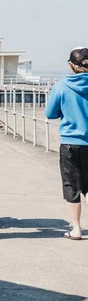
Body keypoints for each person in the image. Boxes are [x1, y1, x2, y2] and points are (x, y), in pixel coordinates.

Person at [45, 47, 88, 240]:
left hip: (70, 143)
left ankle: (77, 229)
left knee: (72, 186)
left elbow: (50, 113)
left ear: (71, 65)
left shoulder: (62, 86)